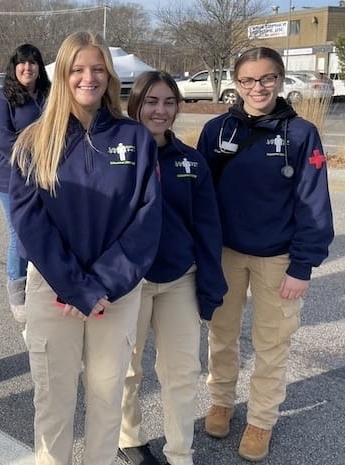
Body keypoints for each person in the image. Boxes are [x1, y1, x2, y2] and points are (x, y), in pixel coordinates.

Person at [9, 31, 161, 465]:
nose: (87, 78)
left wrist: (101, 285)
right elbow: (29, 223)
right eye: (77, 69)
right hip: (54, 291)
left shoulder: (135, 139)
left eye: (97, 69)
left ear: (109, 77)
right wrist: (76, 287)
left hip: (116, 293)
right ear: (62, 75)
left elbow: (146, 221)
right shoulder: (34, 141)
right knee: (54, 402)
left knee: (107, 399)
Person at [197, 46, 333, 462]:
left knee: (272, 343)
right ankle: (221, 400)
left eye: (267, 78)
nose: (258, 87)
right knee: (221, 335)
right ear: (236, 84)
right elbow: (199, 197)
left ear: (280, 79)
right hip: (225, 253)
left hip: (278, 258)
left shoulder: (301, 133)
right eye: (248, 80)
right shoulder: (217, 130)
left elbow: (313, 203)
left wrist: (303, 265)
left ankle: (261, 420)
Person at [117, 71, 228, 465]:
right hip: (129, 283)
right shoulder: (116, 154)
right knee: (126, 370)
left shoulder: (191, 162)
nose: (160, 111)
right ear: (136, 105)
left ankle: (181, 452)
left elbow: (207, 228)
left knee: (182, 372)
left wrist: (211, 287)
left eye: (168, 102)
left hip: (179, 279)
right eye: (151, 102)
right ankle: (129, 437)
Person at [0, 43, 50, 323]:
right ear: (15, 67)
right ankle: (17, 290)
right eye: (22, 63)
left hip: (47, 176)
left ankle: (44, 284)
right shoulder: (4, 99)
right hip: (12, 177)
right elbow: (4, 140)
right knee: (19, 233)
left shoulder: (49, 95)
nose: (28, 67)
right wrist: (39, 158)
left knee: (44, 230)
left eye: (33, 62)